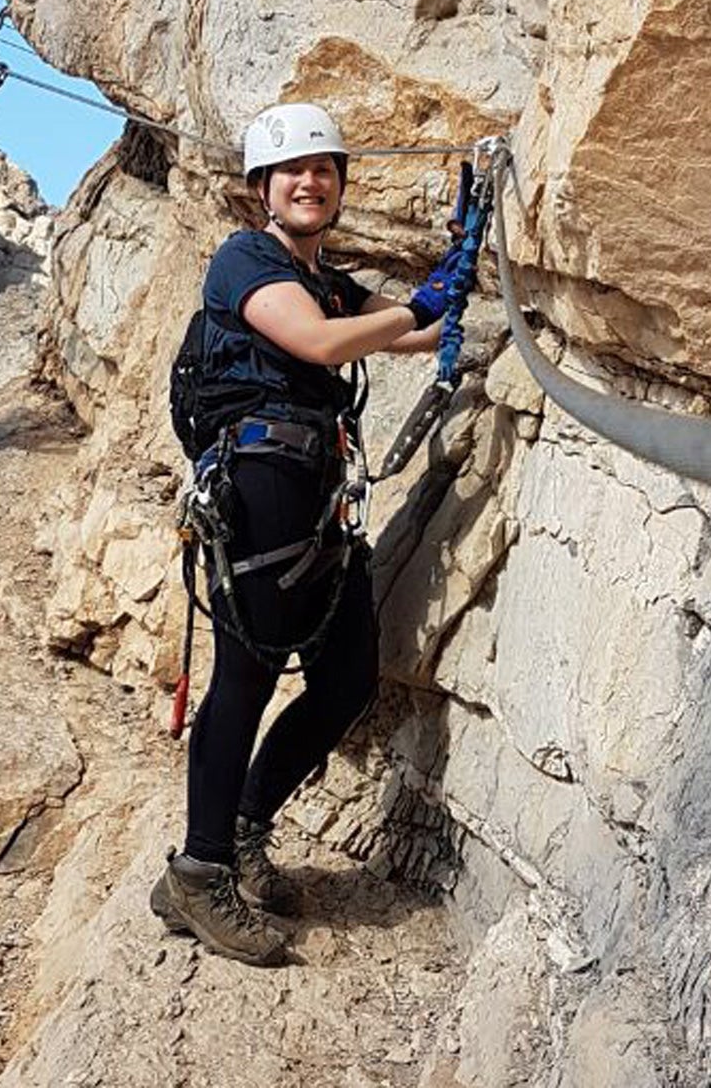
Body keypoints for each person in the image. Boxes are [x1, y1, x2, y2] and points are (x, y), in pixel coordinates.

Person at [148, 102, 472, 965]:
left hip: (317, 497)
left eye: (324, 170)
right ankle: (199, 871)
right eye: (292, 172)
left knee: (346, 678)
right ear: (263, 189)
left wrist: (465, 267)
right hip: (258, 495)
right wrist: (418, 306)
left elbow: (420, 330)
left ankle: (243, 831)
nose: (309, 182)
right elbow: (327, 346)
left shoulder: (327, 277)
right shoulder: (244, 260)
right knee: (245, 681)